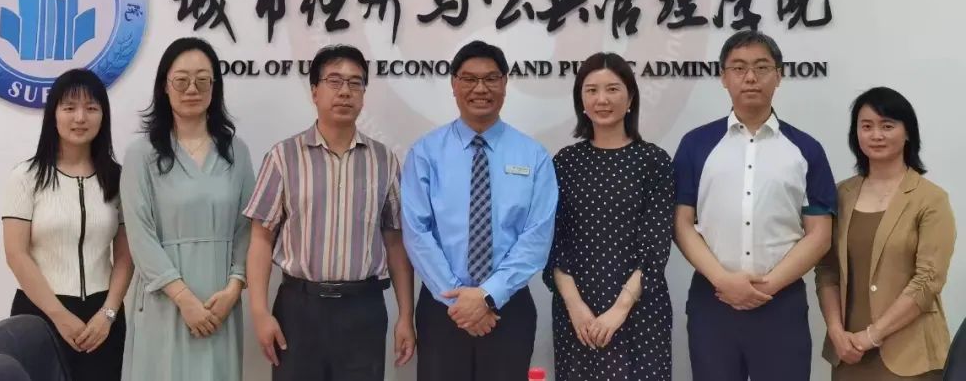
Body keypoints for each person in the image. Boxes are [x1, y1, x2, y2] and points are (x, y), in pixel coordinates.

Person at [244, 44, 416, 380]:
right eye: (334, 81)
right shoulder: (283, 157)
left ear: (364, 94)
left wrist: (405, 316)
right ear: (314, 91)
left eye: (355, 83)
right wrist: (260, 312)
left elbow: (396, 243)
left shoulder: (383, 160)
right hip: (298, 308)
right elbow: (261, 240)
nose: (345, 92)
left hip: (362, 309)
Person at [673, 30, 836, 381]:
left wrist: (768, 285)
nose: (750, 77)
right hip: (713, 300)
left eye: (762, 67)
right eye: (739, 68)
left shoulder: (806, 149)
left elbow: (819, 234)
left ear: (779, 75)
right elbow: (682, 223)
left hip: (781, 303)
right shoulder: (696, 145)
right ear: (723, 77)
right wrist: (723, 280)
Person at [402, 40, 558, 381]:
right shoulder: (425, 153)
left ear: (505, 83)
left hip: (508, 307)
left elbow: (537, 236)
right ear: (454, 84)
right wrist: (461, 303)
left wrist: (488, 295)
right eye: (469, 79)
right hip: (443, 307)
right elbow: (416, 232)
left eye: (490, 79)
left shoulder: (533, 156)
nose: (480, 88)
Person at [120, 37, 256, 381]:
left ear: (215, 87)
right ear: (164, 86)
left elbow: (247, 227)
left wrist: (235, 287)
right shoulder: (141, 154)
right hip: (164, 301)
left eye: (202, 80)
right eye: (181, 80)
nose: (191, 89)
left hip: (220, 302)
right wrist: (184, 299)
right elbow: (140, 235)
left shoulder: (236, 152)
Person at [545, 52, 674, 380]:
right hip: (578, 313)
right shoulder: (565, 163)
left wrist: (619, 310)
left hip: (640, 310)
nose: (602, 99)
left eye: (613, 89)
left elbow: (656, 246)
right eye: (591, 90)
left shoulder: (654, 162)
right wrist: (576, 306)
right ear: (581, 101)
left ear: (630, 99)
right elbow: (554, 243)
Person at [816, 87, 956, 380]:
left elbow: (928, 280)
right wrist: (836, 331)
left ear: (908, 133)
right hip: (848, 353)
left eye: (887, 126)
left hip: (910, 356)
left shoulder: (931, 199)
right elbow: (827, 270)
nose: (876, 135)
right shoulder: (840, 195)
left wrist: (872, 336)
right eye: (866, 126)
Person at [2, 68, 133, 381]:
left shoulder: (119, 179)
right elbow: (16, 254)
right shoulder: (26, 177)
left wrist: (109, 313)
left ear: (103, 116)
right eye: (69, 107)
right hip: (39, 316)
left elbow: (125, 256)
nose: (80, 118)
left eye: (91, 108)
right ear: (53, 114)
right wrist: (59, 316)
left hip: (103, 319)